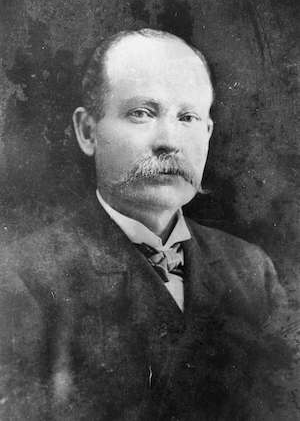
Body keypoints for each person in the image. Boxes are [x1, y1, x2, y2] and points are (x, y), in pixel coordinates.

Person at [0, 29, 296, 421]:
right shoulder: (23, 275)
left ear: (207, 134)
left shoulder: (251, 269)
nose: (169, 140)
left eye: (187, 117)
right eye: (142, 113)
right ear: (88, 131)